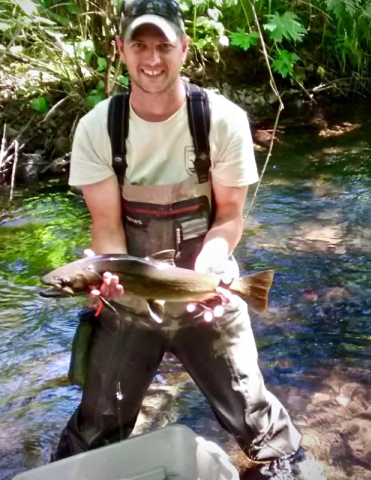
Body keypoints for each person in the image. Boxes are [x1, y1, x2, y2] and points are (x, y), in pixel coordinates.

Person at [53, 0, 303, 473]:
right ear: (120, 50)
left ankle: (286, 467)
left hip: (205, 293)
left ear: (184, 49)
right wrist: (109, 274)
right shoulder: (97, 129)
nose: (152, 59)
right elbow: (106, 226)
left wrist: (209, 267)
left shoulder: (221, 120)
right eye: (139, 45)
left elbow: (228, 216)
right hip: (129, 298)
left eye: (164, 45)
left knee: (257, 421)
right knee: (95, 431)